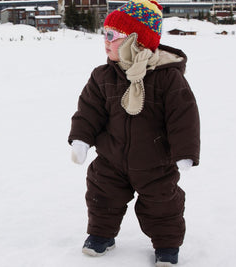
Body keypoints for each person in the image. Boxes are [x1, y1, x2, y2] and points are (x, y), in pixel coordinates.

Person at [68, 0, 200, 266]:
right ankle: (100, 235)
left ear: (136, 40)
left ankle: (166, 245)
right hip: (111, 158)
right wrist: (81, 138)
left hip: (155, 162)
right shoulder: (102, 76)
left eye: (112, 36)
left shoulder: (167, 78)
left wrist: (184, 153)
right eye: (103, 34)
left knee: (162, 204)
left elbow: (183, 117)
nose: (105, 42)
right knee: (102, 195)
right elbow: (89, 110)